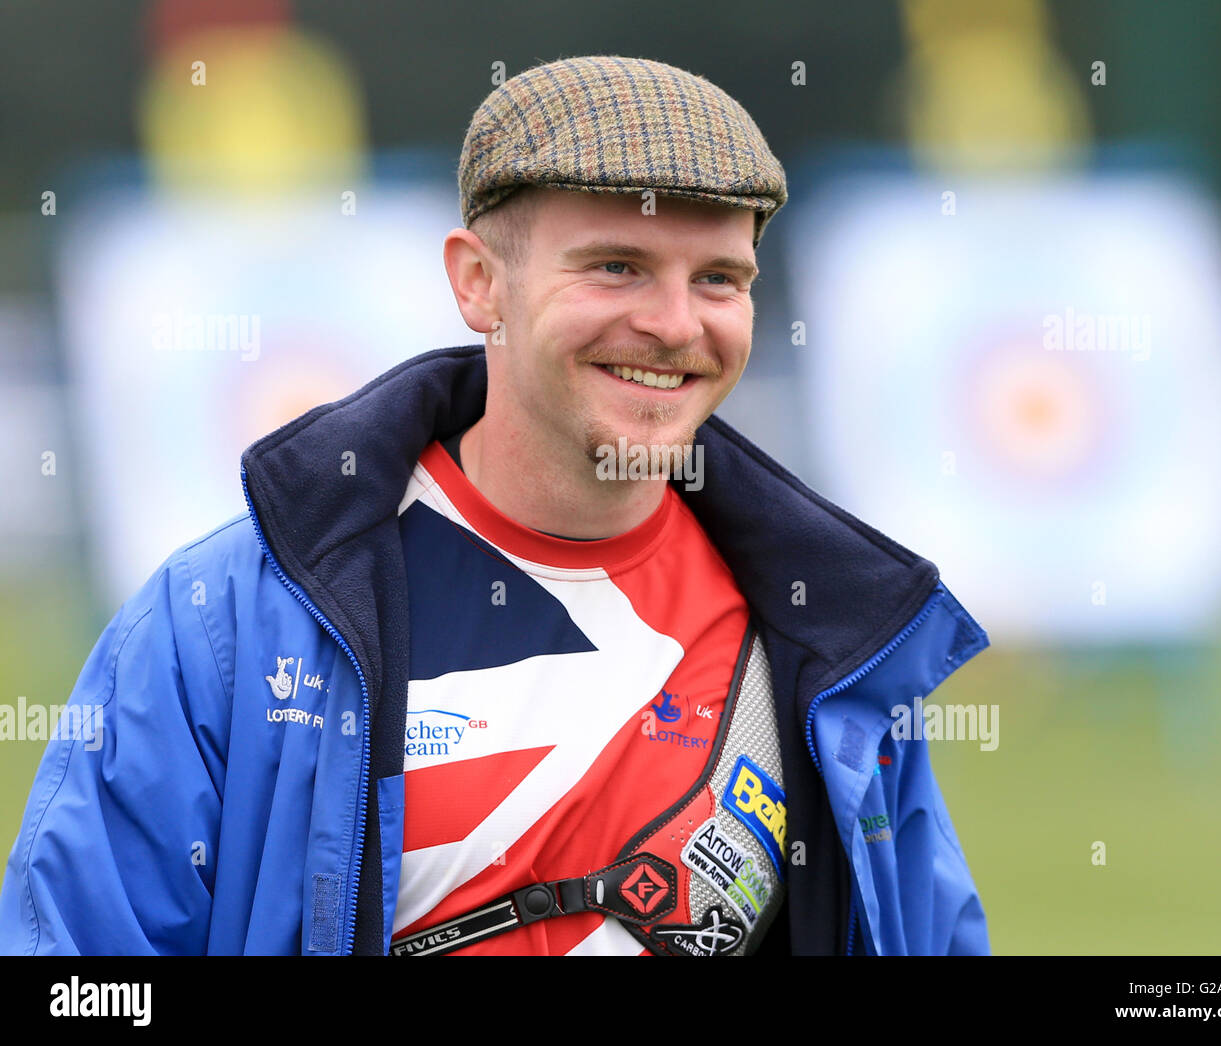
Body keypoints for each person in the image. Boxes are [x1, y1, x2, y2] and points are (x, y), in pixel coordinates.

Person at [0, 55, 990, 956]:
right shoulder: (224, 623)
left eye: (719, 279)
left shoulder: (831, 637)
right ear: (480, 283)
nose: (674, 324)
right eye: (616, 266)